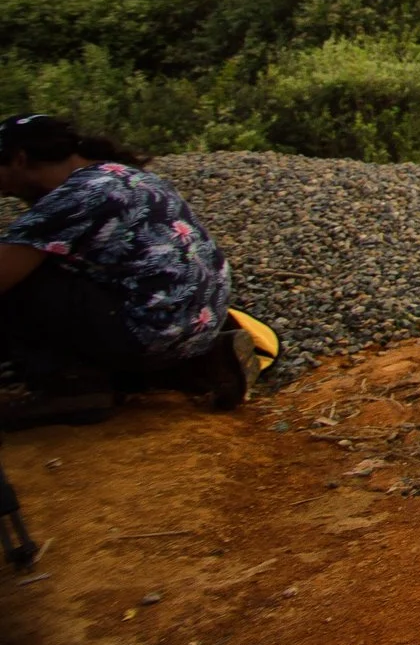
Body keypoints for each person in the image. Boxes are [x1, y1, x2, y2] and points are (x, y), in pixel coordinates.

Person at [0, 114, 253, 428]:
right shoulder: (118, 174)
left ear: (20, 159)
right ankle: (196, 367)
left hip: (149, 332)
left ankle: (71, 389)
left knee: (24, 278)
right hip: (199, 323)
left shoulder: (72, 198)